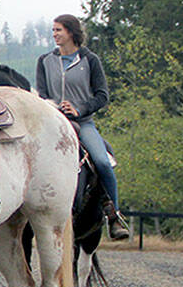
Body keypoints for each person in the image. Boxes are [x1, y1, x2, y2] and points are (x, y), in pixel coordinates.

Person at [35, 14, 130, 240]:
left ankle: (113, 215)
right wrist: (54, 108)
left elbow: (102, 96)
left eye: (58, 30)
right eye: (53, 30)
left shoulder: (90, 60)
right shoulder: (45, 61)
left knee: (102, 162)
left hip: (83, 123)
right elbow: (42, 93)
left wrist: (79, 108)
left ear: (71, 32)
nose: (54, 34)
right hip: (53, 123)